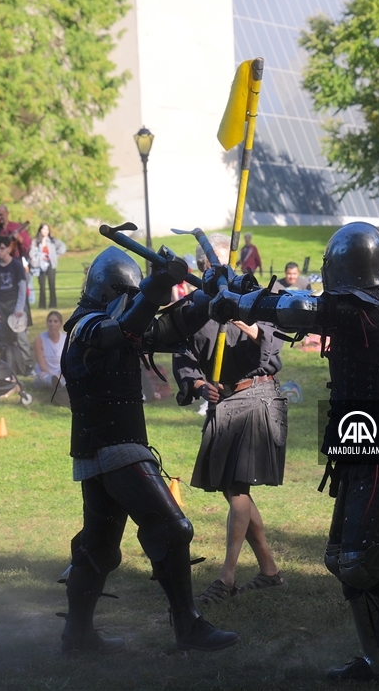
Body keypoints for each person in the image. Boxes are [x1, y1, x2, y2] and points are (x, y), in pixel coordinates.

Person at [207, 223, 379, 682]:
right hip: (362, 448)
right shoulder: (373, 305)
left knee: (363, 561)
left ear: (344, 266)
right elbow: (303, 306)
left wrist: (239, 302)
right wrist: (241, 291)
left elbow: (303, 308)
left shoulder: (366, 309)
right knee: (342, 558)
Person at [59, 245, 238, 654]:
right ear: (112, 292)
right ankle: (188, 625)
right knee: (173, 529)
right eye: (131, 294)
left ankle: (77, 636)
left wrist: (209, 294)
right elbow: (118, 331)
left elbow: (171, 326)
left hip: (101, 451)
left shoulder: (119, 321)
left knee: (99, 548)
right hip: (115, 448)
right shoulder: (86, 324)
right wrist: (158, 283)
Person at [173, 234, 286, 606]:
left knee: (237, 488)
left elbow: (271, 339)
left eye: (221, 264)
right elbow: (184, 355)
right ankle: (269, 569)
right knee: (231, 488)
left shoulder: (252, 295)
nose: (215, 271)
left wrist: (238, 315)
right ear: (201, 268)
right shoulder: (192, 306)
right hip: (223, 399)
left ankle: (226, 577)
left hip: (257, 394)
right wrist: (198, 383)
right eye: (208, 265)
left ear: (231, 262)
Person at [0, 235, 31, 374]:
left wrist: (19, 308)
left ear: (8, 248)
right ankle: (11, 364)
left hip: (16, 304)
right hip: (2, 304)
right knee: (6, 336)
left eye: (1, 248)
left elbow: (22, 287)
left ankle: (27, 364)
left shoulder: (16, 265)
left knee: (20, 336)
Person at [29, 223, 66, 310]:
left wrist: (54, 255)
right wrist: (40, 256)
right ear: (40, 230)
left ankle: (53, 304)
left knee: (51, 285)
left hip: (51, 265)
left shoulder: (53, 240)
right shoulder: (35, 242)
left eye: (47, 229)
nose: (45, 231)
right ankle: (42, 305)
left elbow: (62, 247)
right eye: (43, 229)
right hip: (40, 265)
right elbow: (31, 253)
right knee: (42, 286)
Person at [33, 310, 65, 392]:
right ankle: (55, 384)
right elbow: (41, 364)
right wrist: (51, 375)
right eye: (50, 321)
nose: (52, 324)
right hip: (46, 372)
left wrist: (61, 374)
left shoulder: (66, 340)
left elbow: (67, 362)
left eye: (55, 321)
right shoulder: (39, 340)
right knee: (45, 377)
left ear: (60, 324)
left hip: (61, 373)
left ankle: (58, 384)